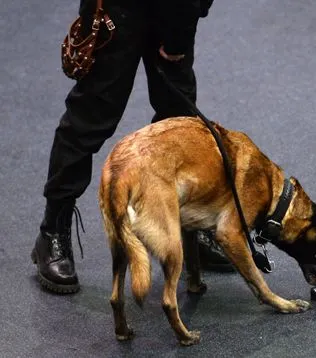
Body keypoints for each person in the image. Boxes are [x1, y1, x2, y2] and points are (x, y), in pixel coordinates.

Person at [31, 0, 232, 295]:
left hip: (176, 9)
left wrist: (180, 31)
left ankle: (187, 230)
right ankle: (52, 231)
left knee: (178, 121)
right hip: (117, 7)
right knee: (91, 116)